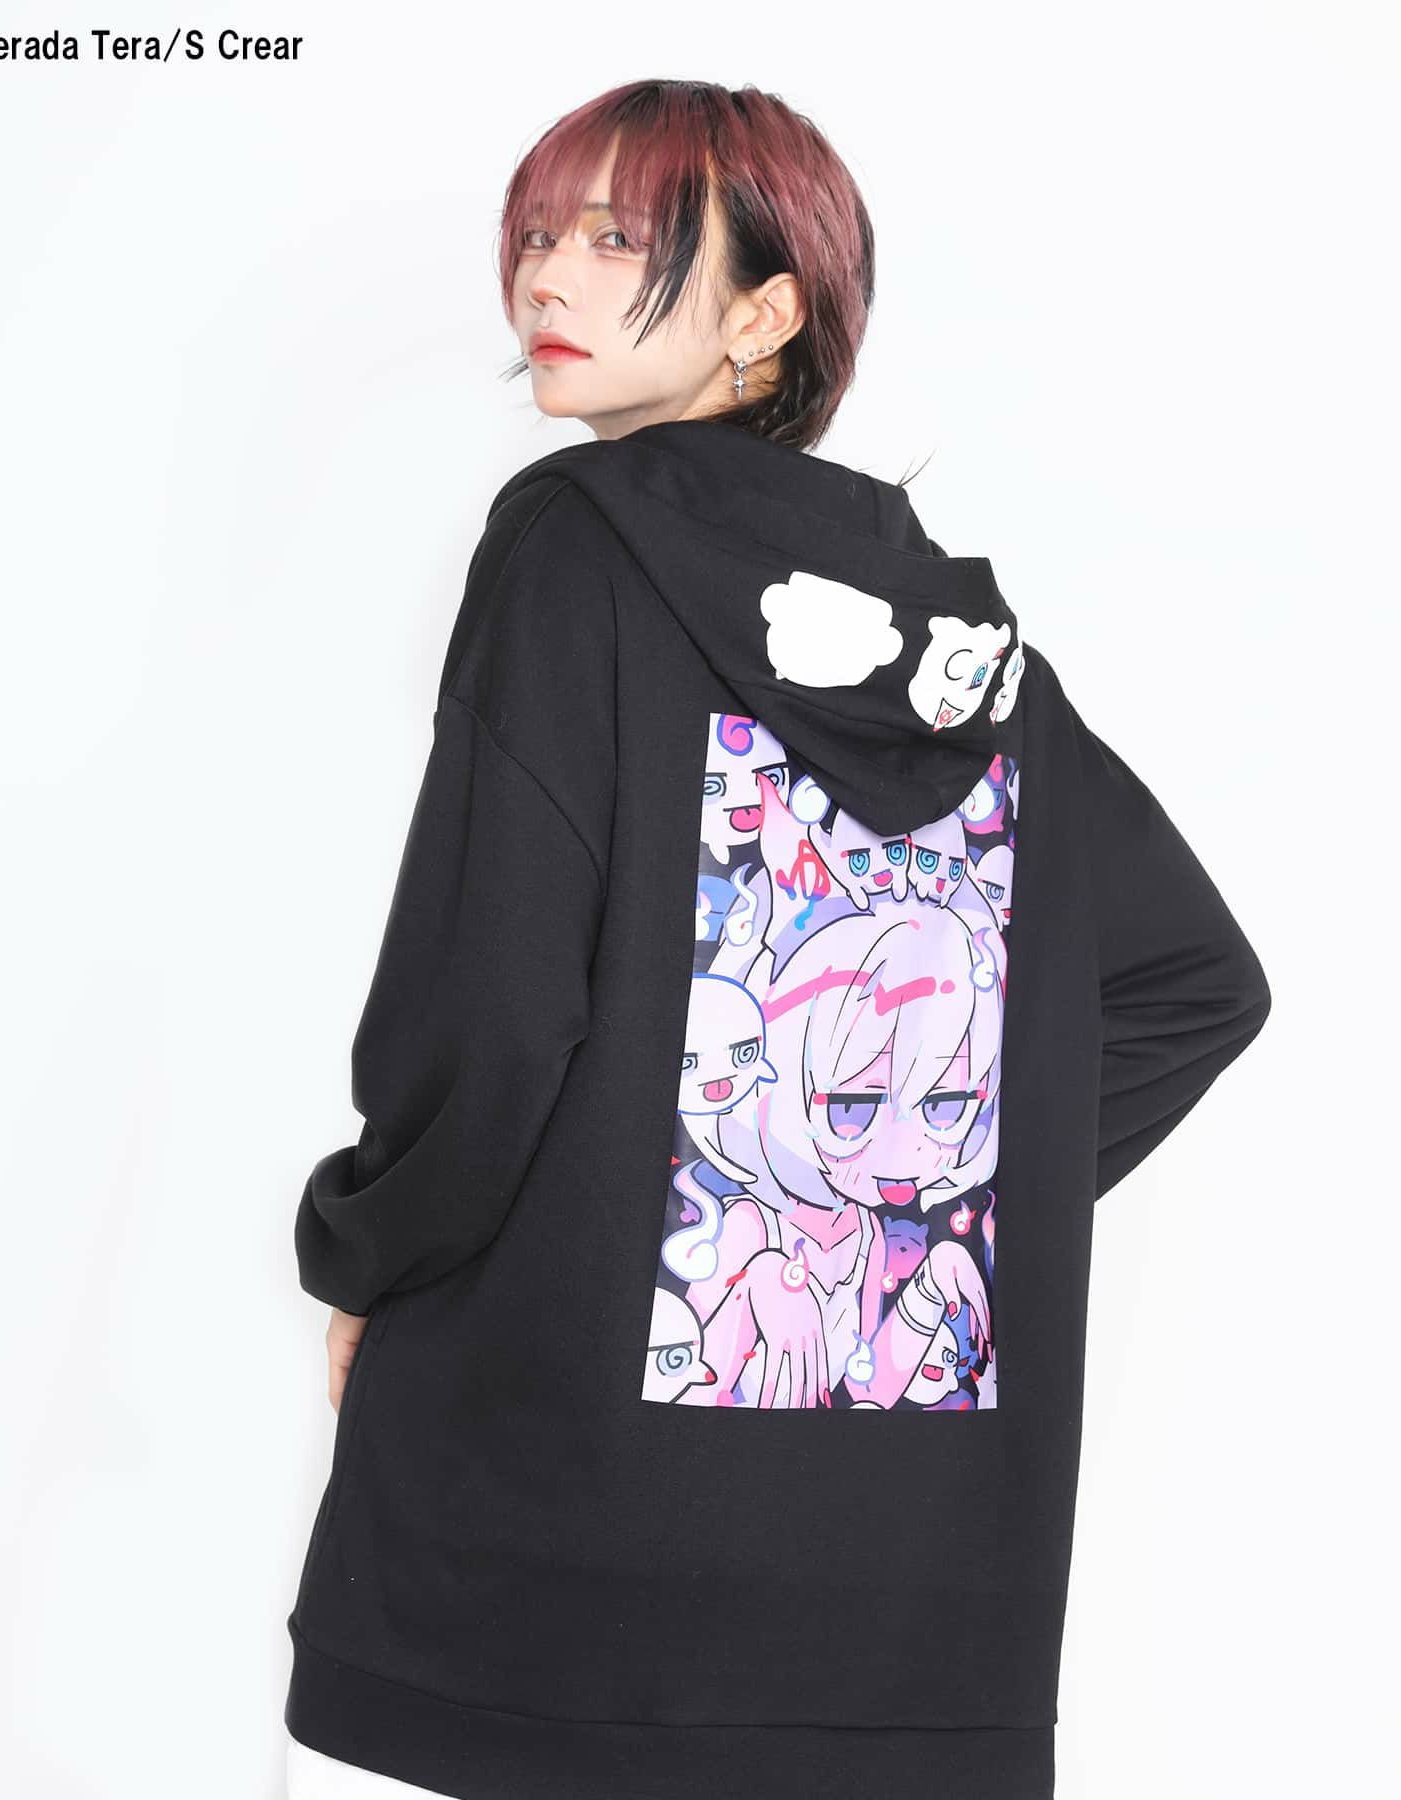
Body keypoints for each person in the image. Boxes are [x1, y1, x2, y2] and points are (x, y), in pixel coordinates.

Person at [282, 79, 1271, 1800]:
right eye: (539, 233)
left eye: (619, 240)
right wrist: (952, 1194)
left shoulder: (572, 544)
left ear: (767, 313)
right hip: (909, 1598)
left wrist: (375, 1251)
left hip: (557, 1545)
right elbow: (1200, 983)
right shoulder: (962, 661)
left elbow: (489, 1003)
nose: (547, 278)